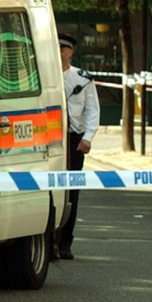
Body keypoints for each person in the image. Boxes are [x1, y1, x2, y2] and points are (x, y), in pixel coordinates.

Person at [55, 33, 99, 261]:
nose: (62, 51)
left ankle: (64, 243)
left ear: (71, 52)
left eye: (65, 48)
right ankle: (50, 241)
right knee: (50, 189)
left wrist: (88, 136)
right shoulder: (44, 78)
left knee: (71, 191)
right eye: (58, 47)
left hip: (74, 141)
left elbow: (92, 108)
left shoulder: (82, 79)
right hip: (51, 140)